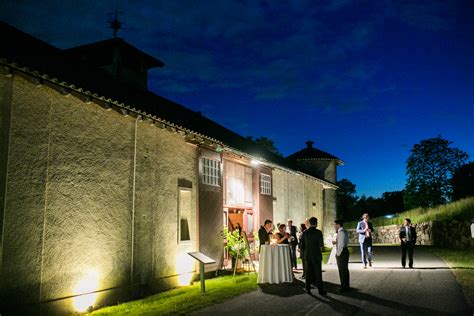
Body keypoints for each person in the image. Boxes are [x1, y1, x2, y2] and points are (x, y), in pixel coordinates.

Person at [300, 217, 326, 296]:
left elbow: (302, 245)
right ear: (316, 223)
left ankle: (307, 288)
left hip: (308, 255)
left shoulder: (305, 232)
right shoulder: (319, 232)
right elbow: (321, 245)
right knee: (318, 273)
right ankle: (320, 290)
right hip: (316, 255)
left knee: (308, 272)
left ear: (310, 223)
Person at [334, 219, 350, 292]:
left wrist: (337, 254)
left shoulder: (341, 233)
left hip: (342, 252)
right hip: (344, 251)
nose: (334, 226)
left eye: (335, 224)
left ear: (338, 225)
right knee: (344, 270)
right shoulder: (344, 231)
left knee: (342, 270)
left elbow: (341, 245)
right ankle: (345, 286)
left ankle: (344, 287)